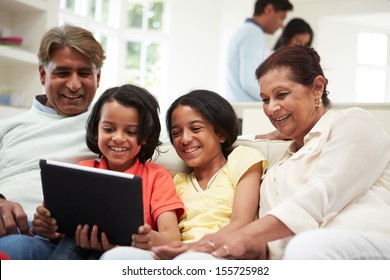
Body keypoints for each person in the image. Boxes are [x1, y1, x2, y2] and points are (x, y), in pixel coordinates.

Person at [154, 45, 390, 260]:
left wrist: (234, 238)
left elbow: (318, 200)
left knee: (306, 246)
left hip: (367, 244)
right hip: (296, 261)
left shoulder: (353, 123)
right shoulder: (278, 166)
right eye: (265, 99)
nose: (272, 108)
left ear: (317, 87)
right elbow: (272, 244)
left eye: (282, 95)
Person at [100, 89, 267, 260]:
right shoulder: (172, 179)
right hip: (176, 255)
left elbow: (242, 222)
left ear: (221, 133)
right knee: (117, 257)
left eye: (195, 128)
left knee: (191, 260)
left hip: (226, 252)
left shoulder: (242, 158)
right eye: (176, 133)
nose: (185, 139)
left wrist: (191, 248)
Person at [32, 84, 185, 259]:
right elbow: (55, 224)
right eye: (108, 129)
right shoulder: (81, 170)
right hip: (76, 246)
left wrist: (151, 239)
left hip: (125, 255)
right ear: (96, 130)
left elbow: (172, 236)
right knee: (71, 239)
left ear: (145, 136)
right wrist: (46, 227)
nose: (118, 138)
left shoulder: (158, 177)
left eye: (130, 131)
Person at [0, 24, 105, 259]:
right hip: (14, 228)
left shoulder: (112, 126)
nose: (74, 84)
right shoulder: (7, 128)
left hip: (78, 239)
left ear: (98, 77)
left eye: (85, 73)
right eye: (62, 72)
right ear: (42, 74)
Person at [226, 0, 293, 103]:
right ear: (269, 10)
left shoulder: (246, 30)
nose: (281, 25)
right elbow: (249, 81)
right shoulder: (253, 32)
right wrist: (278, 99)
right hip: (246, 110)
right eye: (281, 18)